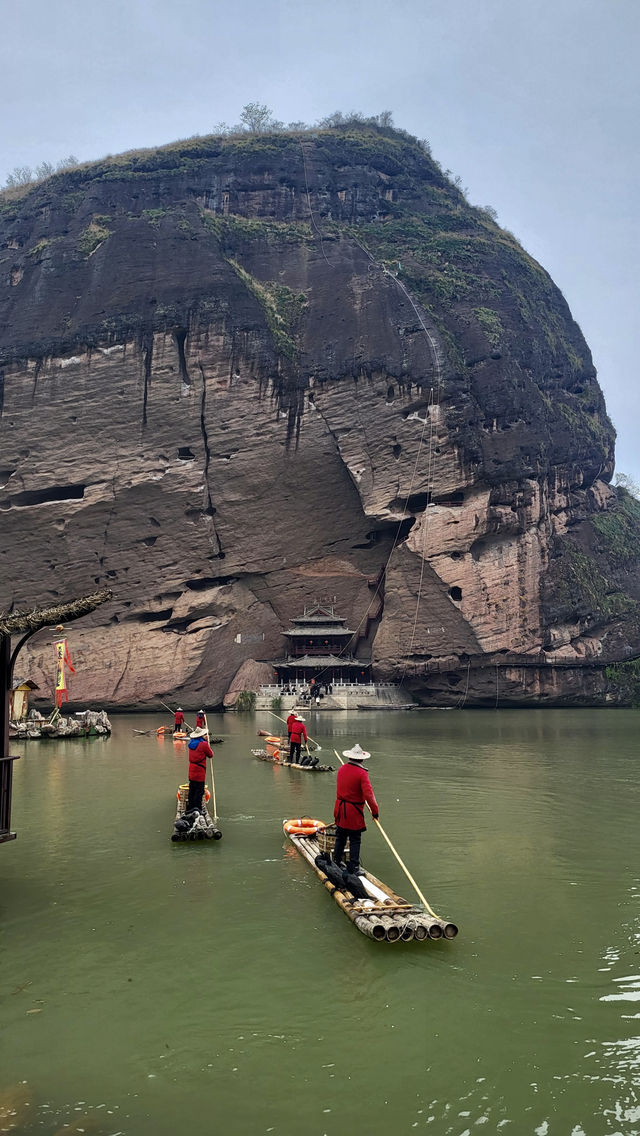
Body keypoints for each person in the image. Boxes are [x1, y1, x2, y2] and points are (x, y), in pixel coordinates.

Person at [333, 743, 379, 874]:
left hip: (340, 809)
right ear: (362, 759)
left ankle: (336, 861)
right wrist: (375, 812)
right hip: (353, 812)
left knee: (340, 836)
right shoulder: (362, 774)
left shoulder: (342, 769)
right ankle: (354, 867)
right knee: (355, 839)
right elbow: (369, 795)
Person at [186, 727, 213, 812]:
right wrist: (207, 744)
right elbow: (211, 754)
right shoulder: (203, 744)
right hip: (199, 770)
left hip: (191, 769)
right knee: (199, 790)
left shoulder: (191, 743)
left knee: (192, 788)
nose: (206, 736)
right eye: (205, 735)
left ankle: (190, 807)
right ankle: (197, 808)